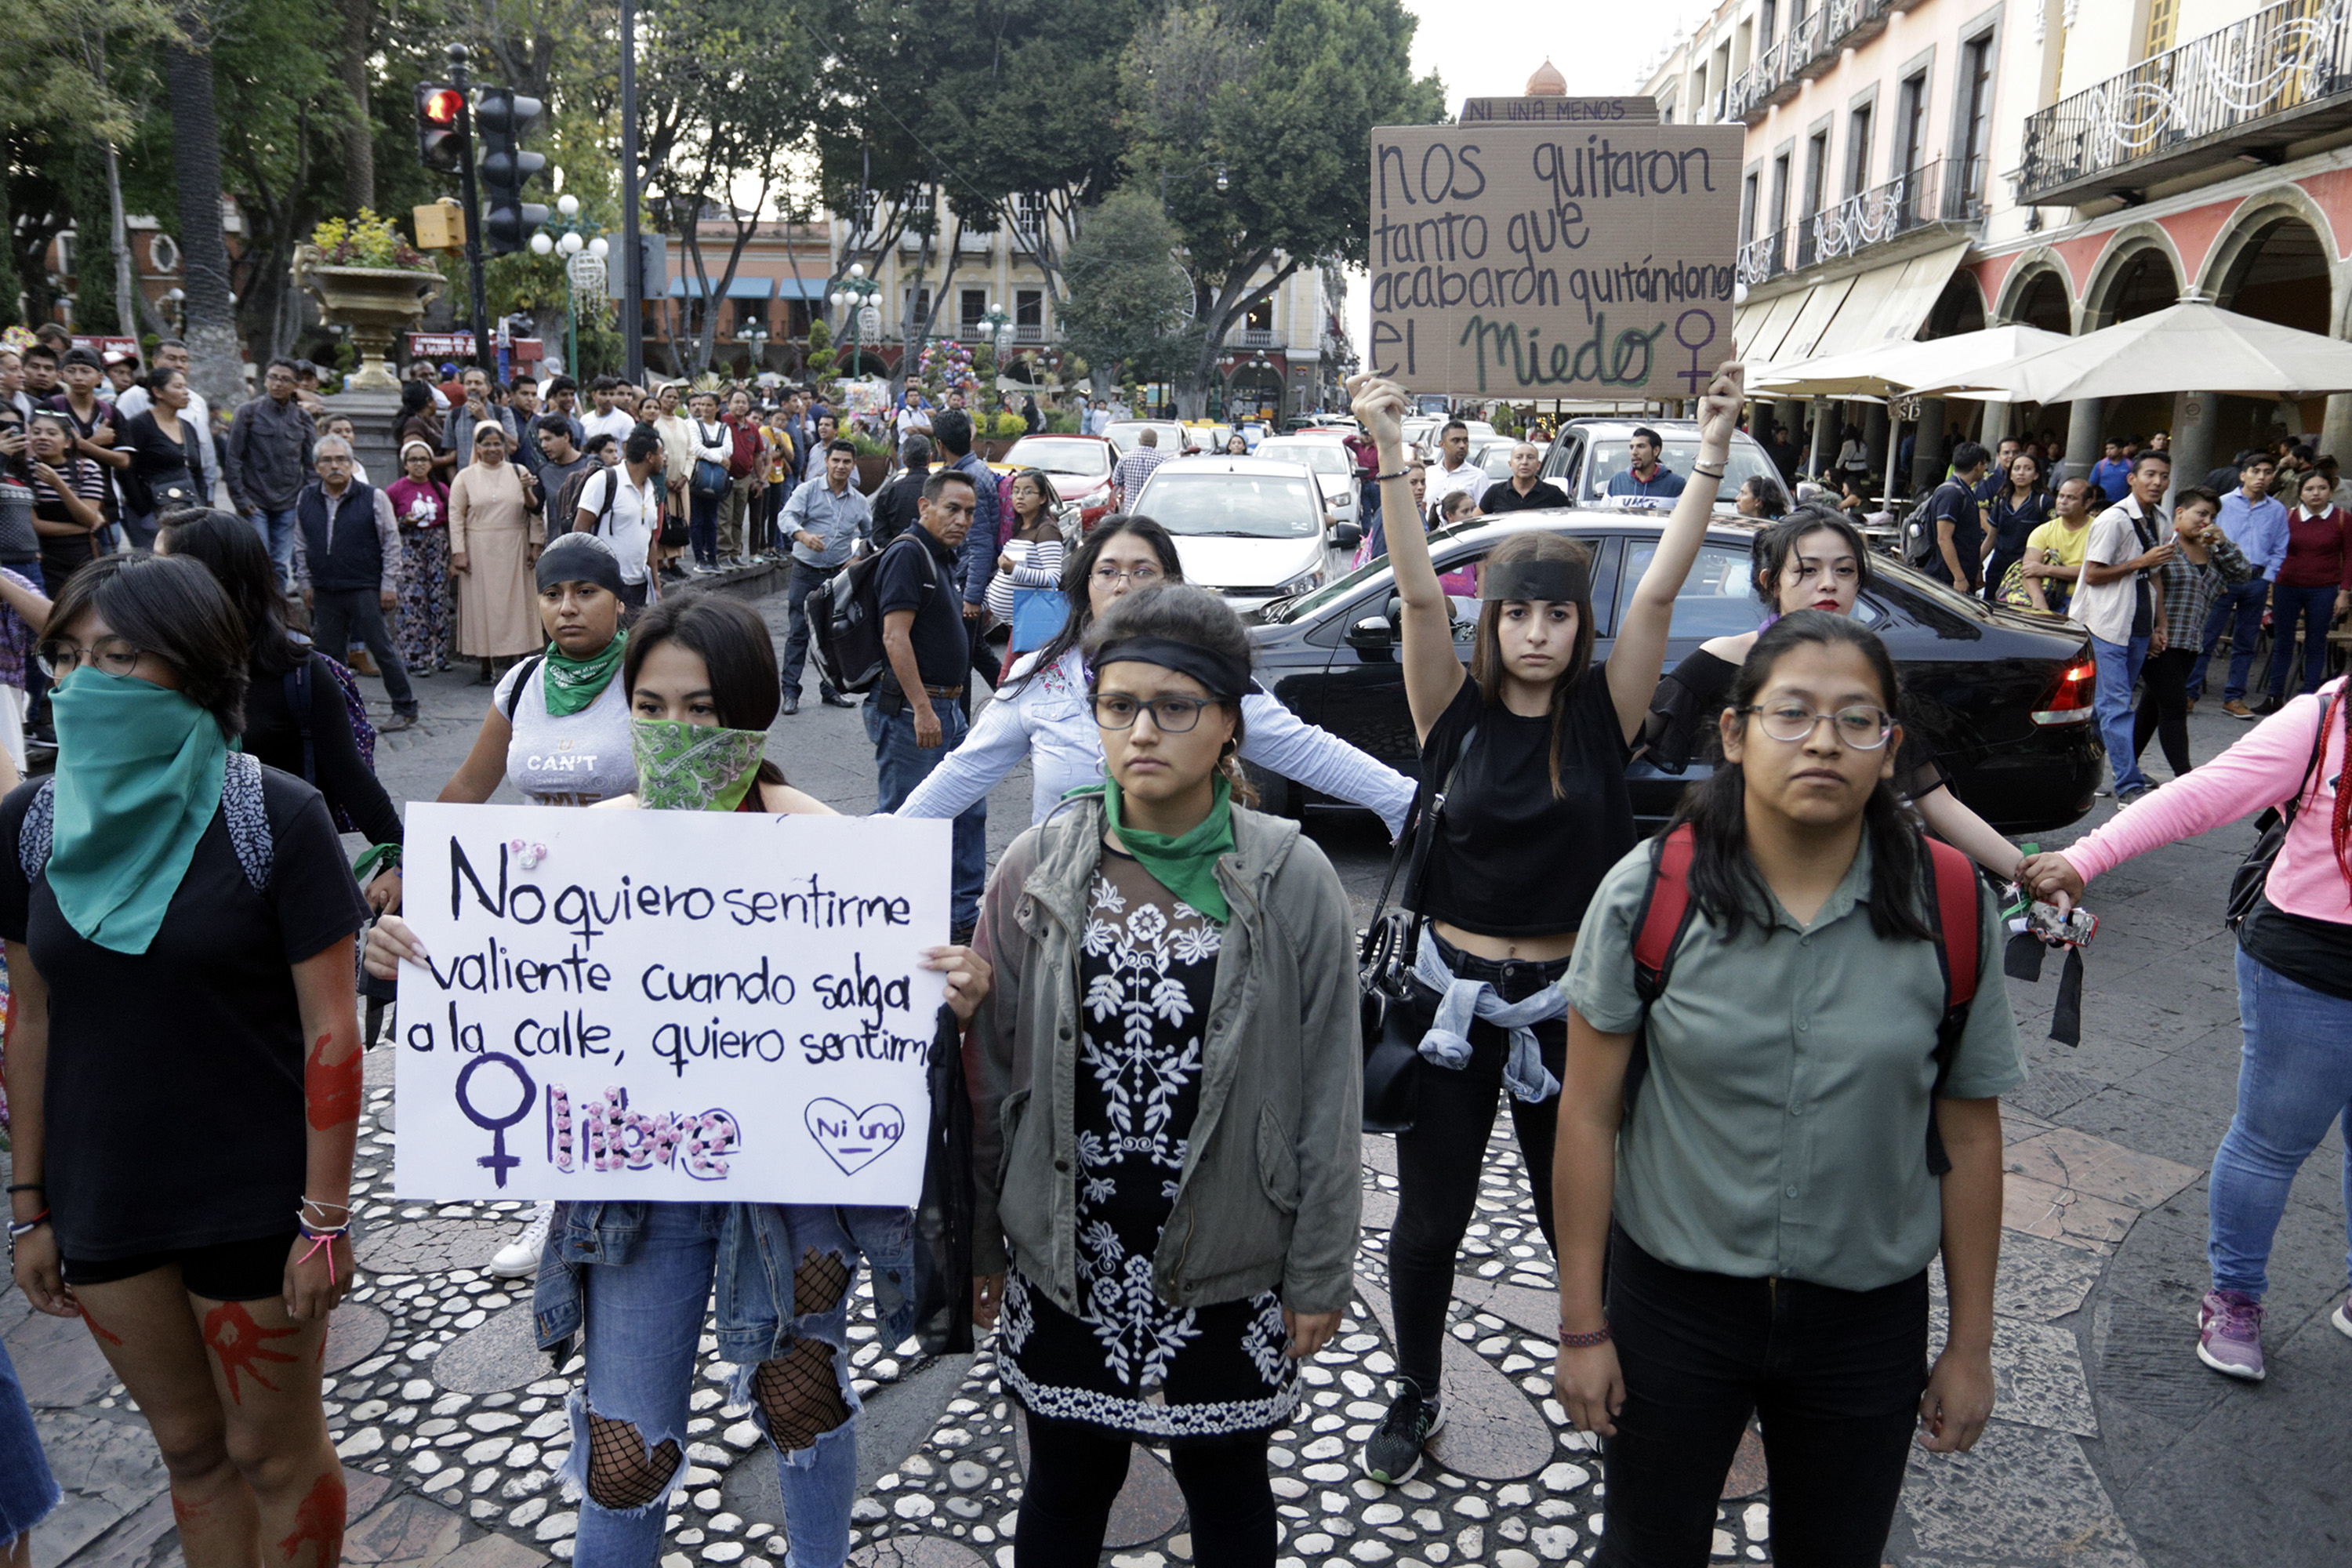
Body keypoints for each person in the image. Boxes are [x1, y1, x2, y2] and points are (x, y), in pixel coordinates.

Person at [362, 590, 992, 1563]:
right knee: (623, 1453)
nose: (674, 730)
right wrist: (413, 952)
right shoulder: (577, 851)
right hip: (634, 1198)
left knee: (803, 1404)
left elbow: (894, 985)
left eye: (700, 708)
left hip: (791, 1192)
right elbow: (495, 965)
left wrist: (953, 983)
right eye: (650, 708)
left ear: (748, 710)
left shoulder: (822, 842)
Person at [1345, 359, 1740, 1486]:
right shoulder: (1451, 715)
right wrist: (1390, 455)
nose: (1534, 632)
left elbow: (1659, 594)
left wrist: (1708, 449)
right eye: (1515, 612)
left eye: (1555, 614)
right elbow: (1421, 594)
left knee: (1601, 1230)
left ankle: (1623, 1380)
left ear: (1579, 626)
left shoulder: (1607, 716)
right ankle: (1415, 1389)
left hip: (1578, 1015)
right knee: (1428, 1229)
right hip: (1450, 1012)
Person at [1555, 611, 2018, 1565]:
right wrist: (1581, 1324)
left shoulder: (1952, 902)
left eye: (1858, 721)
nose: (1823, 742)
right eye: (1792, 713)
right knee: (1647, 1546)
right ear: (1734, 733)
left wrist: (1970, 1345)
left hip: (1866, 1313)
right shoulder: (1653, 891)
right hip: (1676, 1302)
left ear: (1891, 749)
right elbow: (1589, 1110)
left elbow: (1972, 1138)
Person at [967, 583, 1359, 1566]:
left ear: (1229, 720)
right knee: (1065, 1479)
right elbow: (993, 1071)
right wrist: (978, 1237)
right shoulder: (1038, 863)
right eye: (1117, 704)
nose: (1143, 730)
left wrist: (1318, 1266)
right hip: (1069, 1244)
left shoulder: (1289, 873)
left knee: (1227, 1480)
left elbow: (1328, 1087)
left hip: (1229, 1243)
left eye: (1175, 706)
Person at [4, 552, 371, 1568]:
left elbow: (332, 1031)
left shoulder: (276, 817)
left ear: (196, 667)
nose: (81, 680)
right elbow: (29, 1019)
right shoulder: (31, 826)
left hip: (255, 1203)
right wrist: (32, 1204)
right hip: (106, 1202)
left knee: (271, 1449)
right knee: (191, 1451)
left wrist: (325, 1220)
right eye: (67, 656)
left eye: (120, 656)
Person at [2024, 671, 2350, 1385]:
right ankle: (2234, 1301)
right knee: (2274, 1138)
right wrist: (2083, 859)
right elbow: (2200, 795)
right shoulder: (2325, 718)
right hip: (2312, 963)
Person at [902, 514, 1414, 831]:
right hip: (1058, 910)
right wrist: (877, 843)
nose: (1123, 586)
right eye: (1108, 571)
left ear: (1169, 583)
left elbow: (1306, 749)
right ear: (1086, 586)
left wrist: (1410, 805)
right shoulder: (1043, 678)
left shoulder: (1208, 676)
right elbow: (963, 773)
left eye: (1142, 571)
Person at [1645, 510, 2031, 879]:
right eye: (1807, 570)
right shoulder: (1724, 659)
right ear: (1770, 581)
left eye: (1844, 570)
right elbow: (1626, 737)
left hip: (1853, 879)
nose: (1828, 583)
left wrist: (2028, 872)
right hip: (1742, 872)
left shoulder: (1870, 674)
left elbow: (1935, 800)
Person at [155, 510, 404, 861]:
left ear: (210, 580)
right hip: (178, 876)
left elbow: (354, 781)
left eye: (162, 568)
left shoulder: (299, 674)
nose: (147, 580)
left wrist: (401, 862)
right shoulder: (150, 666)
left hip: (279, 877)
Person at [868, 467, 988, 938]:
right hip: (912, 710)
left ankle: (960, 916)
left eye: (970, 512)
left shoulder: (941, 555)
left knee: (968, 808)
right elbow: (894, 637)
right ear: (925, 507)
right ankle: (893, 918)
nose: (962, 520)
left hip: (949, 708)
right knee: (909, 819)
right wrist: (920, 707)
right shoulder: (908, 553)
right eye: (952, 509)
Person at [284, 437, 416, 732]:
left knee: (381, 648)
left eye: (341, 459)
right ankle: (336, 710)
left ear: (352, 464)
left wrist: (389, 583)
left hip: (365, 585)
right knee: (329, 655)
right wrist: (305, 582)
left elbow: (391, 542)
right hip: (325, 588)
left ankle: (405, 707)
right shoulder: (306, 497)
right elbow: (300, 543)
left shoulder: (373, 496)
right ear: (317, 467)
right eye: (327, 460)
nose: (335, 466)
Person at [2074, 449, 2176, 804]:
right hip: (2106, 622)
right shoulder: (2113, 520)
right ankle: (2129, 784)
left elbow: (2156, 579)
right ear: (2132, 479)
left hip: (2138, 623)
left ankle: (2098, 768)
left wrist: (2159, 626)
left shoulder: (2161, 521)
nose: (2157, 482)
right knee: (2116, 704)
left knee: (2107, 706)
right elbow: (2093, 574)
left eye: (2163, 476)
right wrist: (2140, 561)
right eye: (2149, 474)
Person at [2132, 488, 2254, 780]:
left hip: (2191, 643)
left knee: (2152, 706)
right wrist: (2147, 631)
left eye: (2211, 516)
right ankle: (2186, 778)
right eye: (2201, 513)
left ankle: (2126, 770)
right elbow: (2141, 589)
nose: (2206, 520)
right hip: (2160, 642)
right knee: (2174, 707)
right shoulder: (2162, 546)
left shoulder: (2214, 551)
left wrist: (2223, 543)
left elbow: (2243, 575)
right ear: (2180, 513)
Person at [778, 437, 873, 716]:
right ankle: (790, 692)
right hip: (805, 572)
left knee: (833, 635)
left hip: (837, 578)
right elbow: (786, 518)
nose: (840, 466)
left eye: (846, 461)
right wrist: (803, 536)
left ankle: (831, 689)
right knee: (798, 632)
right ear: (826, 462)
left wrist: (857, 557)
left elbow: (869, 534)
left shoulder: (859, 500)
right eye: (835, 460)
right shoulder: (808, 491)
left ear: (853, 465)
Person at [2196, 452, 2292, 718]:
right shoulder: (2223, 504)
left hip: (2256, 579)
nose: (2262, 477)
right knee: (2207, 637)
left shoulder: (2277, 510)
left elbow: (2280, 547)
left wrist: (2267, 578)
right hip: (2224, 579)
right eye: (2256, 471)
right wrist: (2214, 575)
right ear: (2243, 475)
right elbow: (2207, 538)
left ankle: (2234, 698)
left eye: (2268, 472)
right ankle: (2189, 693)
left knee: (2246, 642)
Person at [448, 423, 544, 682]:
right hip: (478, 548)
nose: (492, 449)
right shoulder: (465, 477)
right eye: (486, 444)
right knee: (482, 607)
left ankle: (518, 664)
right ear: (477, 448)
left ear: (505, 446)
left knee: (515, 605)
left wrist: (536, 544)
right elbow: (455, 516)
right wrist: (459, 552)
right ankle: (485, 665)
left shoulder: (519, 471)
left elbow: (534, 512)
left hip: (515, 546)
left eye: (496, 444)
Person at [2256, 466, 2351, 714]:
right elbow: (2272, 549)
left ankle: (2308, 701)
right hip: (2287, 587)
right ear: (2300, 494)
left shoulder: (2342, 518)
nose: (2316, 493)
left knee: (2315, 643)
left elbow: (2350, 557)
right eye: (2309, 489)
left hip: (2324, 590)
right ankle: (2274, 696)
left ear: (2331, 491)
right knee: (2283, 642)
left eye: (2322, 488)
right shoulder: (2287, 517)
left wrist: (2344, 592)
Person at [227, 359, 316, 587]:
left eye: (285, 379)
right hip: (254, 501)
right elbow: (233, 458)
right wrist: (240, 498)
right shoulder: (247, 412)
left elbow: (311, 465)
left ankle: (279, 615)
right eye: (273, 377)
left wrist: (305, 499)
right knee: (259, 560)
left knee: (279, 563)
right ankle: (257, 615)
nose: (278, 384)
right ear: (265, 380)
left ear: (296, 385)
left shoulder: (302, 418)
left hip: (288, 502)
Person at [572, 425, 665, 615]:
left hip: (639, 586)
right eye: (661, 454)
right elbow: (580, 530)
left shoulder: (651, 489)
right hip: (607, 586)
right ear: (649, 456)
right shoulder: (604, 480)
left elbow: (649, 541)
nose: (664, 460)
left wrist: (656, 586)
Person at [985, 470, 1069, 673]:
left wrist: (1014, 569)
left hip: (1030, 619)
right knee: (1021, 679)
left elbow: (1052, 578)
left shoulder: (1046, 530)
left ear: (1042, 498)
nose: (1020, 496)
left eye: (1028, 491)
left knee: (1006, 681)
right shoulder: (1020, 526)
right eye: (1016, 491)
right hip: (1014, 621)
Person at [386, 441, 455, 676]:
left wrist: (452, 557)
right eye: (413, 460)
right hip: (409, 548)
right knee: (412, 601)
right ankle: (415, 657)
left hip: (436, 548)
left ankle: (440, 656)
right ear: (405, 464)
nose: (419, 464)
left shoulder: (442, 489)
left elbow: (450, 524)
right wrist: (404, 522)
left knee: (439, 600)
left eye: (424, 459)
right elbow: (385, 524)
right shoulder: (395, 490)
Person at [25, 412, 107, 599]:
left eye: (52, 433)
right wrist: (85, 528)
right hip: (42, 557)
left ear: (67, 442)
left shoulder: (86, 468)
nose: (43, 437)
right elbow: (35, 525)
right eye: (36, 432)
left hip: (82, 554)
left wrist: (58, 484)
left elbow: (87, 517)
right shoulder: (23, 469)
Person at [1981, 449, 2052, 605]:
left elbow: (2050, 544)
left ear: (2036, 475)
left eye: (2028, 469)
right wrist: (1975, 564)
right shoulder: (2002, 500)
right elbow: (1991, 537)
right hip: (1998, 566)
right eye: (2017, 468)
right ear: (2010, 474)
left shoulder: (2044, 503)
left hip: (2025, 570)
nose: (2021, 473)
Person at [2018, 476, 2096, 616]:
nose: (2063, 502)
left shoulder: (2098, 530)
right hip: (2047, 598)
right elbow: (2029, 570)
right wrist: (2039, 601)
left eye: (2071, 498)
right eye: (2061, 496)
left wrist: (2045, 569)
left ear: (2088, 503)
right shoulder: (2043, 531)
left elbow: (2091, 572)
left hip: (2087, 602)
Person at [1919, 441, 1991, 593]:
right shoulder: (1952, 493)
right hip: (1946, 577)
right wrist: (1959, 577)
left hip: (1962, 574)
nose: (1985, 469)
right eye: (1985, 465)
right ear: (1978, 465)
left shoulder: (1965, 491)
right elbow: (1944, 538)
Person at [684, 390, 731, 573]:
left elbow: (728, 449)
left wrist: (710, 454)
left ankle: (713, 557)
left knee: (712, 520)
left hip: (717, 481)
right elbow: (696, 448)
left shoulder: (723, 428)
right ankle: (699, 558)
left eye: (708, 405)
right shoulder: (693, 425)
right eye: (701, 404)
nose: (703, 408)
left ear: (717, 407)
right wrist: (718, 458)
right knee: (697, 520)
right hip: (698, 479)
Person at [718, 387, 764, 566]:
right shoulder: (722, 423)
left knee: (738, 518)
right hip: (725, 477)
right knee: (725, 518)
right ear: (728, 404)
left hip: (745, 478)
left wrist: (760, 479)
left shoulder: (752, 428)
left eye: (744, 402)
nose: (740, 405)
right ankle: (723, 554)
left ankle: (735, 553)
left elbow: (758, 455)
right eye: (736, 402)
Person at [869, 434, 933, 550]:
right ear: (930, 458)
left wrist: (897, 549)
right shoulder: (942, 490)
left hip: (898, 557)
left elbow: (879, 536)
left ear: (903, 459)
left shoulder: (888, 492)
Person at [1481, 442, 1571, 514]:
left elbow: (1569, 522)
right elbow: (1476, 522)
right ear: (1510, 464)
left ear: (1538, 465)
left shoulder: (1553, 493)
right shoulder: (1495, 492)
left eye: (1530, 457)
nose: (1524, 462)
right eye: (1519, 458)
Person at [1606, 426, 1686, 501]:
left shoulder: (1676, 485)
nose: (1634, 452)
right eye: (1631, 447)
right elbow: (1604, 514)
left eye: (1641, 446)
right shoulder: (1617, 481)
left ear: (1656, 451)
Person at [1427, 420, 1490, 512]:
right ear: (1442, 444)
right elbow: (1424, 509)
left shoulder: (1478, 476)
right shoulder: (1429, 474)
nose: (1462, 445)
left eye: (1465, 441)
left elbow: (1483, 513)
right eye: (1455, 441)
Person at [1110, 426, 1168, 514]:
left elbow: (1116, 481)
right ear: (1155, 443)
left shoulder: (1126, 458)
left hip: (1131, 510)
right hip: (1153, 511)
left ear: (1139, 441)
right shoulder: (1162, 461)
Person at [580, 374, 636, 449]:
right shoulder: (584, 420)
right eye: (603, 394)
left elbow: (627, 452)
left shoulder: (626, 420)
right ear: (594, 395)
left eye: (612, 394)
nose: (608, 399)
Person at [2089, 438, 2132, 504]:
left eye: (2112, 448)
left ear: (2120, 449)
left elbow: (2133, 485)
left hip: (2122, 503)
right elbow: (2092, 485)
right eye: (2107, 449)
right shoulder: (2100, 465)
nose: (2108, 451)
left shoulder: (2130, 465)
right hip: (2102, 503)